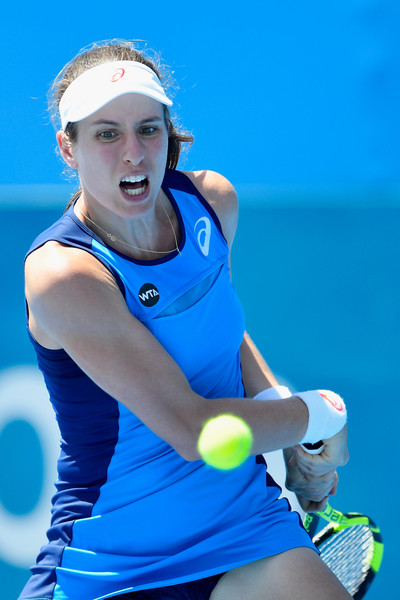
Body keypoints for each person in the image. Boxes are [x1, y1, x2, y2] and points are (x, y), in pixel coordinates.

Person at [20, 39, 351, 600]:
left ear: (168, 133)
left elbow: (217, 330)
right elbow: (195, 431)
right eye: (107, 134)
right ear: (68, 148)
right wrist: (320, 418)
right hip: (108, 567)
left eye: (148, 128)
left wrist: (278, 410)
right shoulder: (63, 274)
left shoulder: (211, 204)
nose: (133, 153)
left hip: (248, 531)